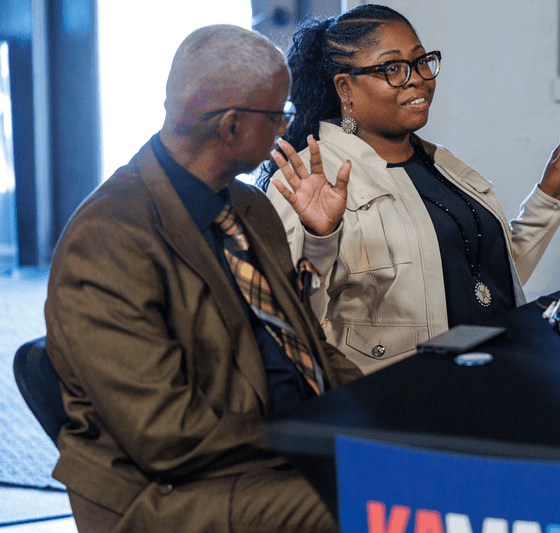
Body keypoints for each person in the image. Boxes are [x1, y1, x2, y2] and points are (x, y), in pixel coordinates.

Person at [44, 24, 362, 533]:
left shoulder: (250, 209)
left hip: (268, 452)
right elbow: (167, 437)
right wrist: (313, 434)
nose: (286, 127)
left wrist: (378, 410)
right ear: (232, 126)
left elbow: (309, 347)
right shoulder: (107, 239)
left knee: (421, 463)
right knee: (371, 498)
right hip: (167, 493)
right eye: (279, 113)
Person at [263, 4, 560, 374]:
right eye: (393, 68)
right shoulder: (306, 180)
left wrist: (548, 197)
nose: (417, 79)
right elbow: (291, 324)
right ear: (345, 88)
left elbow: (485, 277)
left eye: (421, 62)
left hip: (498, 367)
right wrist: (320, 239)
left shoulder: (442, 164)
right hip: (403, 394)